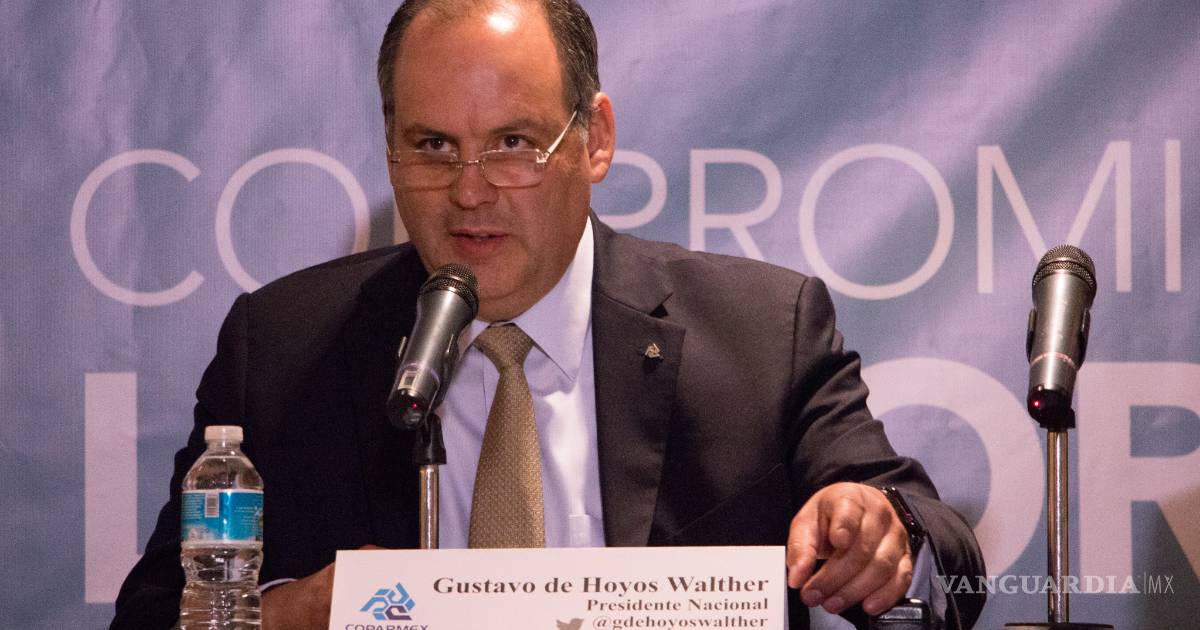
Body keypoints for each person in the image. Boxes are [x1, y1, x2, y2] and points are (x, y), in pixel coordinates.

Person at [111, 1, 985, 628]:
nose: (469, 191)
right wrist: (285, 616)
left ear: (594, 139)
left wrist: (884, 539)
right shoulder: (282, 347)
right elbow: (152, 612)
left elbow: (955, 569)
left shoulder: (763, 331)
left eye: (514, 143)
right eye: (432, 146)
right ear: (389, 149)